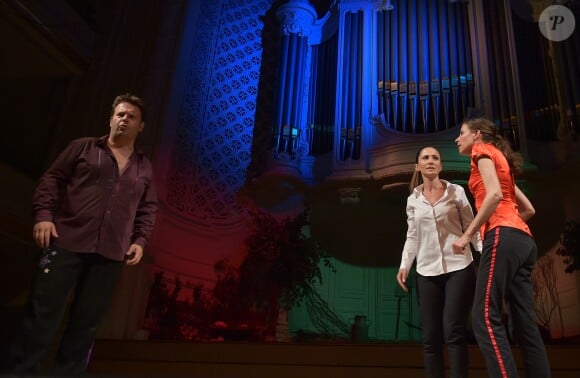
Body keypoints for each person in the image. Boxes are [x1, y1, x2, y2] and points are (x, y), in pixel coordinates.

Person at [8, 93, 158, 375]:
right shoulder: (83, 148)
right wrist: (43, 216)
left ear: (141, 127)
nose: (124, 119)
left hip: (111, 254)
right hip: (66, 241)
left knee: (85, 327)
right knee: (42, 319)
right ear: (111, 119)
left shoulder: (144, 166)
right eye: (120, 114)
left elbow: (148, 208)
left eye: (131, 116)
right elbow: (51, 179)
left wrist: (139, 240)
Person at [452, 118, 551, 377]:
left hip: (503, 237)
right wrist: (512, 227)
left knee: (483, 315)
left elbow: (494, 195)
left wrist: (468, 235)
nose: (457, 138)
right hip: (524, 241)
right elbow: (528, 209)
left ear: (477, 135)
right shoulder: (502, 162)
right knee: (525, 325)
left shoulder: (481, 151)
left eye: (461, 133)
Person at [397, 146, 482, 378]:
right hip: (427, 271)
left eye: (435, 157)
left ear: (441, 165)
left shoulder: (456, 191)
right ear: (418, 166)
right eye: (425, 157)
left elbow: (471, 226)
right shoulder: (412, 199)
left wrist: (484, 254)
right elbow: (412, 236)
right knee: (430, 337)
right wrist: (405, 265)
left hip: (459, 268)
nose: (431, 160)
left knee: (453, 331)